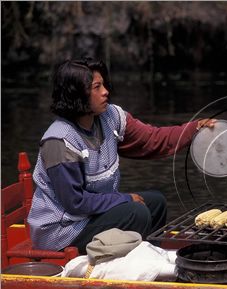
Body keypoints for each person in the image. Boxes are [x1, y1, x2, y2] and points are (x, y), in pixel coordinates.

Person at [27, 58, 215, 254]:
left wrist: (194, 129)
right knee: (136, 213)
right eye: (97, 87)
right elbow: (75, 203)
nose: (105, 91)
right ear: (77, 94)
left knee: (156, 202)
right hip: (64, 231)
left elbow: (152, 139)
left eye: (104, 85)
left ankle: (149, 257)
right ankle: (131, 266)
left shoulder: (110, 117)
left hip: (90, 216)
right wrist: (122, 199)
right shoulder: (59, 141)